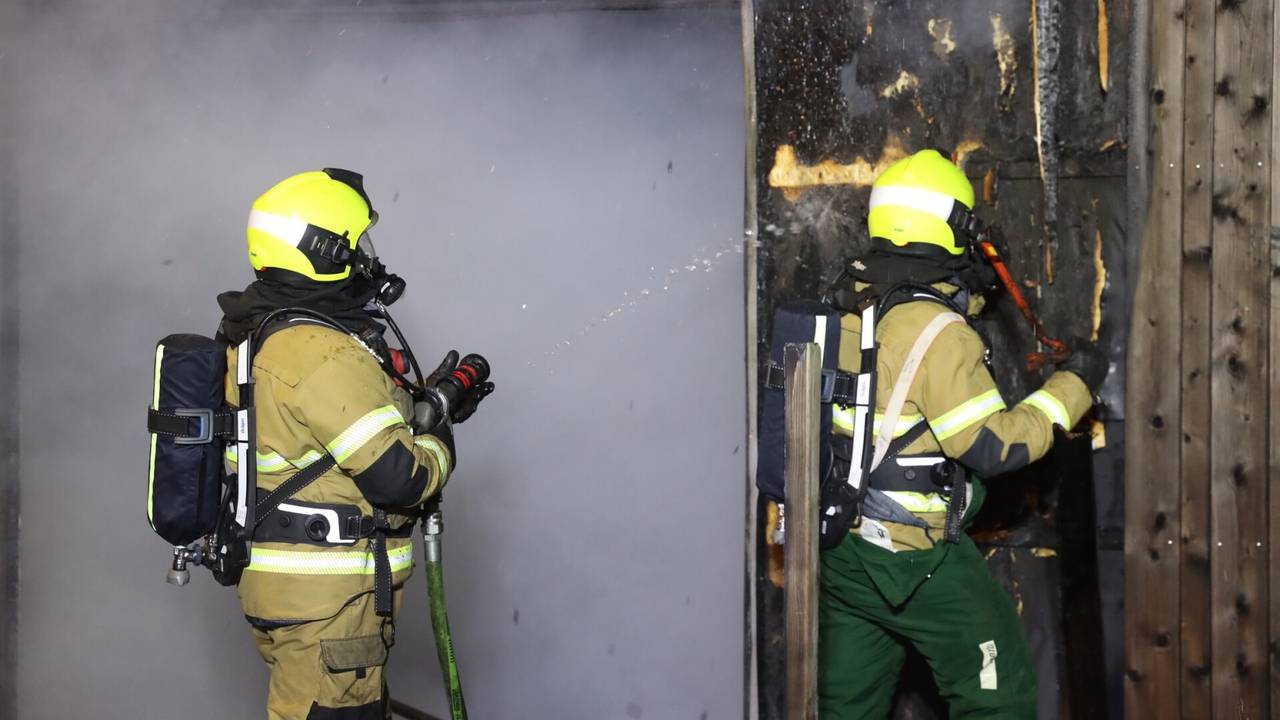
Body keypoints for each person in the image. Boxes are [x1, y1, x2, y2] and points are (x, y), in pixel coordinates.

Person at [815, 150, 1107, 719]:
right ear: (953, 229)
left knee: (843, 707)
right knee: (999, 696)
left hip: (844, 554)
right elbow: (993, 446)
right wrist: (1075, 387)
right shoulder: (940, 333)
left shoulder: (852, 309)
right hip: (914, 561)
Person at [216, 168, 490, 720]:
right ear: (325, 248)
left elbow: (327, 444)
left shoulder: (266, 333)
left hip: (293, 594)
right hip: (331, 605)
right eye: (356, 241)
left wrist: (423, 405)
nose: (367, 255)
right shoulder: (322, 351)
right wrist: (439, 435)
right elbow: (401, 480)